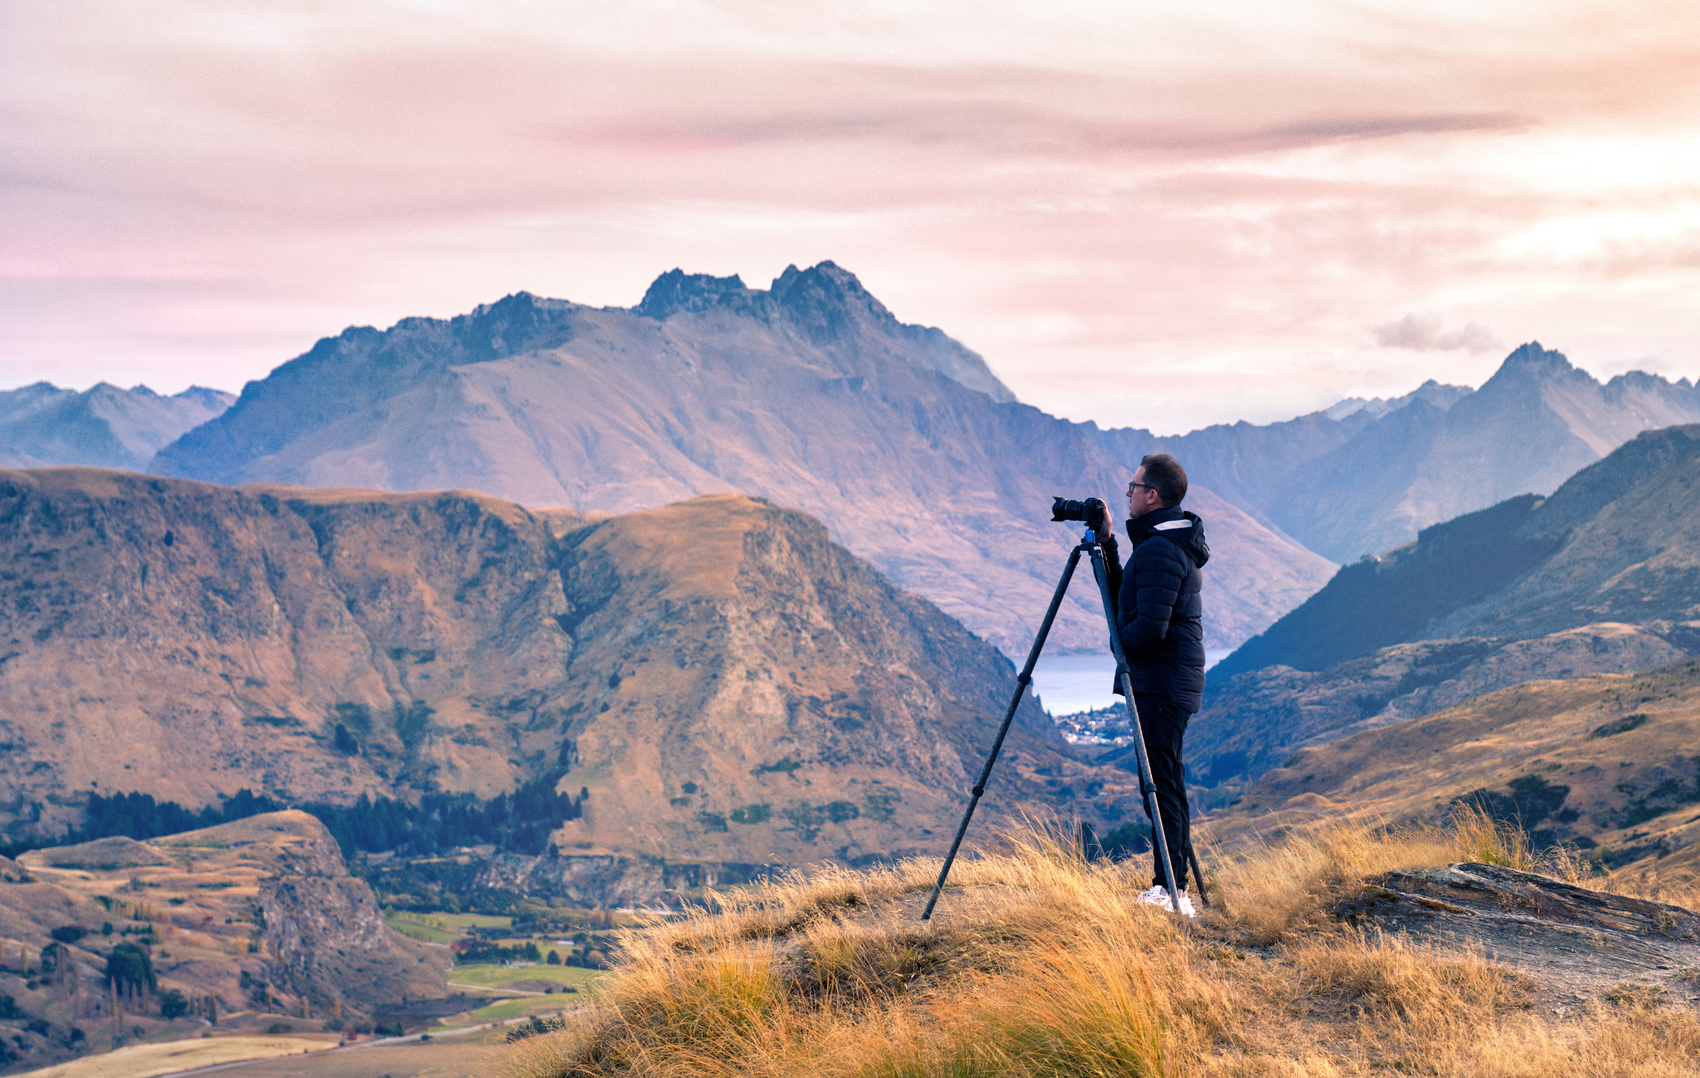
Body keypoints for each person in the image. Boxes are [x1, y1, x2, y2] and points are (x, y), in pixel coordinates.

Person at [1093, 452, 1208, 916]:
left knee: (1161, 786)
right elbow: (1132, 601)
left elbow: (1148, 628)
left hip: (1161, 684)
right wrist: (1108, 545)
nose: (1128, 493)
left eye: (1134, 487)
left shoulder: (1161, 549)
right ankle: (1172, 888)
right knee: (1164, 784)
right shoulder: (1160, 544)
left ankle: (1170, 891)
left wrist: (1118, 642)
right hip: (1164, 682)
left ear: (1153, 495)